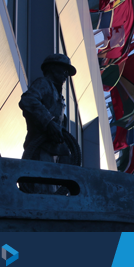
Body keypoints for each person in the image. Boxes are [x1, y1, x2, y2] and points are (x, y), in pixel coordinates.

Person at [18, 54, 79, 193]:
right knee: (42, 191)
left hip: (53, 154)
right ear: (52, 69)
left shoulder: (59, 97)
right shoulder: (43, 84)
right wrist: (49, 123)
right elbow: (28, 100)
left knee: (53, 192)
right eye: (64, 70)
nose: (66, 75)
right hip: (40, 150)